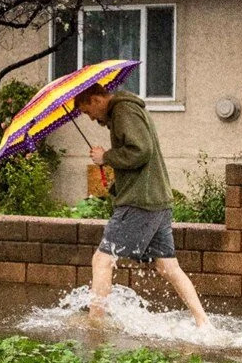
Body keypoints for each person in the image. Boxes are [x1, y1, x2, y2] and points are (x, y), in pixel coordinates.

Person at [73, 82, 210, 328]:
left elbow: (141, 151)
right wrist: (115, 182)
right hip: (156, 200)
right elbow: (140, 157)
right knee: (168, 266)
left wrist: (106, 157)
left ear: (95, 99)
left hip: (140, 202)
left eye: (87, 111)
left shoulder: (123, 110)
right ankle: (203, 322)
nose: (90, 118)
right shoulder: (127, 111)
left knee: (102, 260)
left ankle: (95, 324)